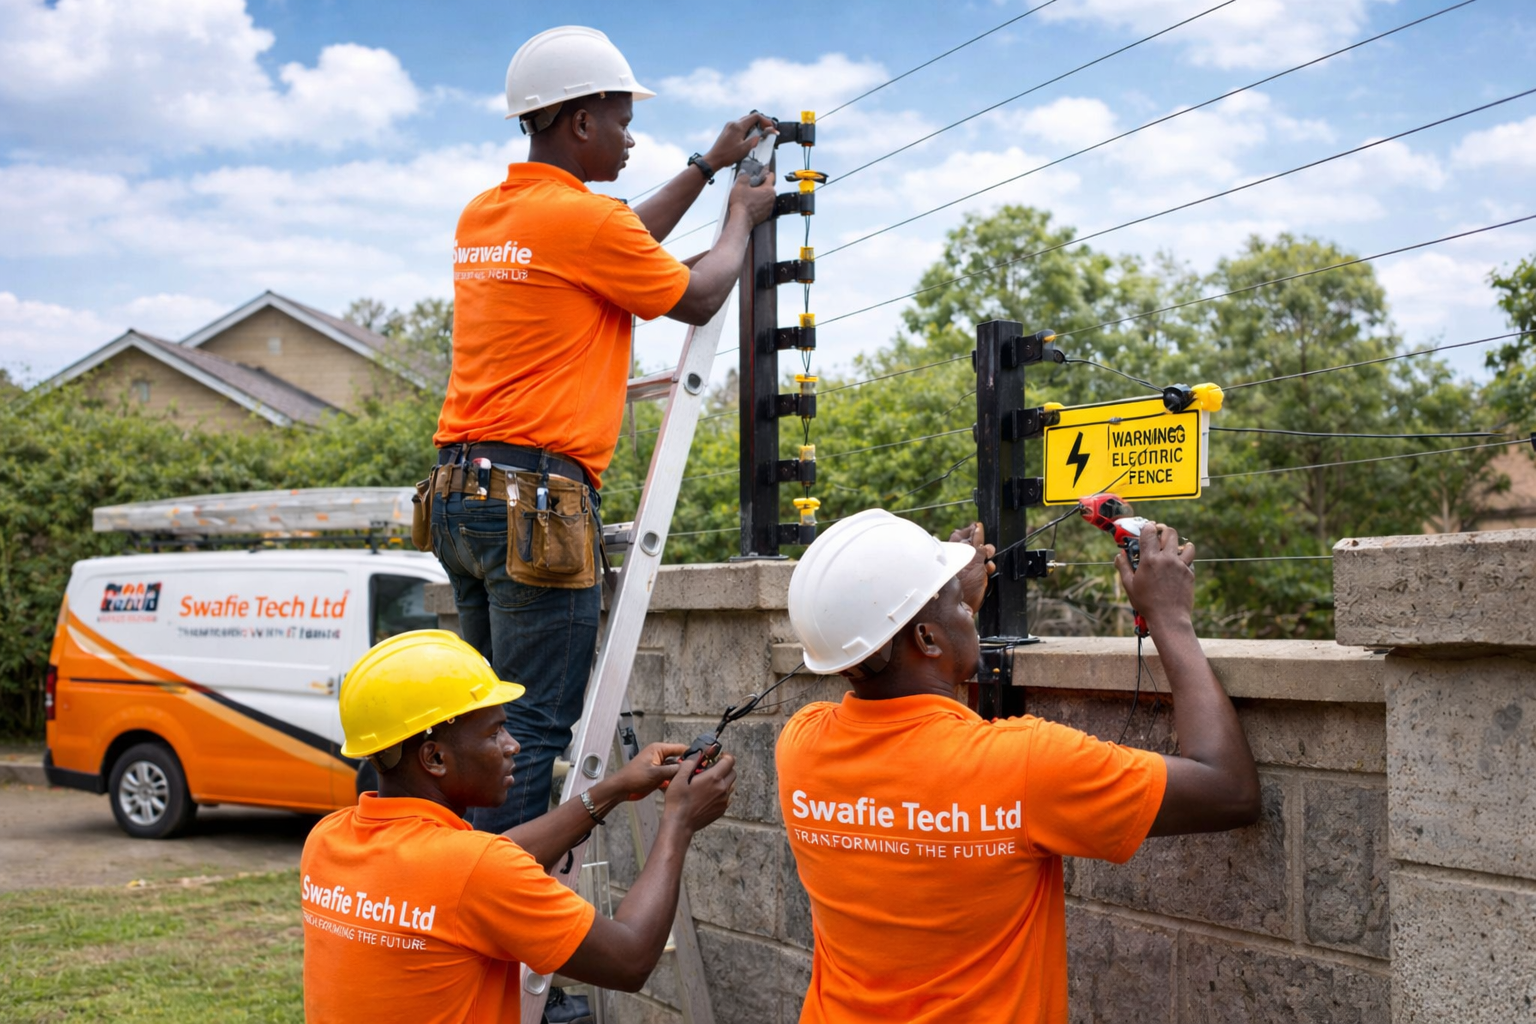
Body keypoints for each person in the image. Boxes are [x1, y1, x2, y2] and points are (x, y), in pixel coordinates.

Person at [428, 25, 776, 835]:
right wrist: (740, 218)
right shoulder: (583, 224)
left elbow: (620, 237)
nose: (630, 136)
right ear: (580, 120)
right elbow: (694, 294)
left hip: (460, 497)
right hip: (535, 508)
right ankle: (502, 924)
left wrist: (704, 164)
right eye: (622, 120)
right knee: (528, 736)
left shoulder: (490, 214)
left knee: (480, 727)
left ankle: (464, 890)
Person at [776, 510, 1261, 1023]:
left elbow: (898, 694)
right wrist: (1169, 617)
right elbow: (1227, 789)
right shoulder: (1027, 764)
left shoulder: (801, 743)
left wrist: (943, 607)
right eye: (958, 607)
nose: (968, 610)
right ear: (927, 640)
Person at [302, 629, 736, 1024]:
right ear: (434, 758)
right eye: (495, 733)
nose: (513, 746)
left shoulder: (328, 840)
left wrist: (614, 789)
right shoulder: (473, 870)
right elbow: (630, 961)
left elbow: (478, 874)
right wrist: (679, 821)